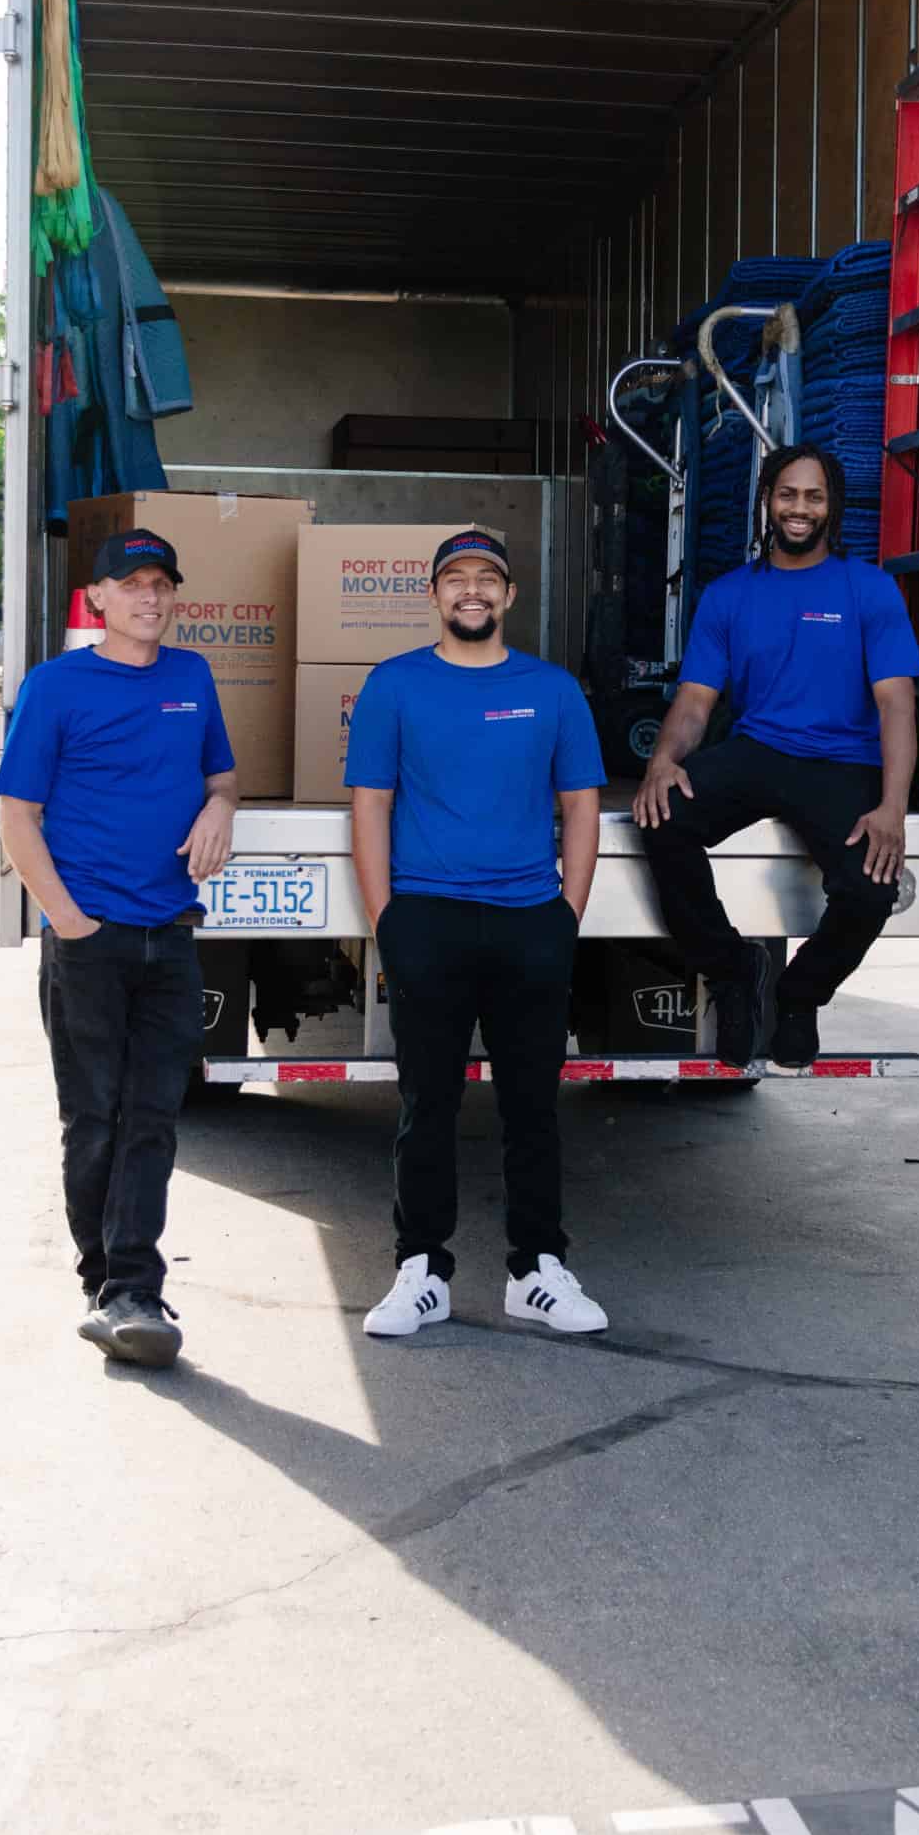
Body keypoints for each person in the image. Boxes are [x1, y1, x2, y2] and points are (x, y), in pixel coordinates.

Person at [348, 528, 609, 1341]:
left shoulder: (554, 690)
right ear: (432, 595)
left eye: (487, 579)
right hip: (426, 916)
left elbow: (581, 807)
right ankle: (420, 1268)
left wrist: (566, 914)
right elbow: (372, 806)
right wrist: (387, 918)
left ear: (509, 596)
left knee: (533, 1105)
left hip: (531, 918)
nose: (471, 591)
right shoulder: (393, 687)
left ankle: (536, 1269)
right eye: (455, 578)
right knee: (426, 1102)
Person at [0, 532, 237, 1368]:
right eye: (132, 584)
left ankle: (133, 1287)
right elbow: (18, 817)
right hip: (89, 940)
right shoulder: (55, 686)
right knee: (93, 1121)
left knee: (153, 1119)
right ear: (96, 597)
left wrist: (219, 810)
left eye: (163, 583)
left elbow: (221, 776)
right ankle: (106, 1282)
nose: (151, 597)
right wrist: (66, 921)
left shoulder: (191, 677)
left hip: (169, 935)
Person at [634, 443, 919, 1070]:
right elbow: (693, 701)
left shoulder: (867, 589)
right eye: (787, 494)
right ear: (766, 501)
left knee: (871, 890)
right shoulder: (730, 595)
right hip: (758, 750)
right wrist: (665, 760)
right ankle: (735, 972)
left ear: (832, 507)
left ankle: (799, 994)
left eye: (813, 496)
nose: (799, 508)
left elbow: (898, 704)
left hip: (842, 763)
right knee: (661, 817)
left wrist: (891, 806)